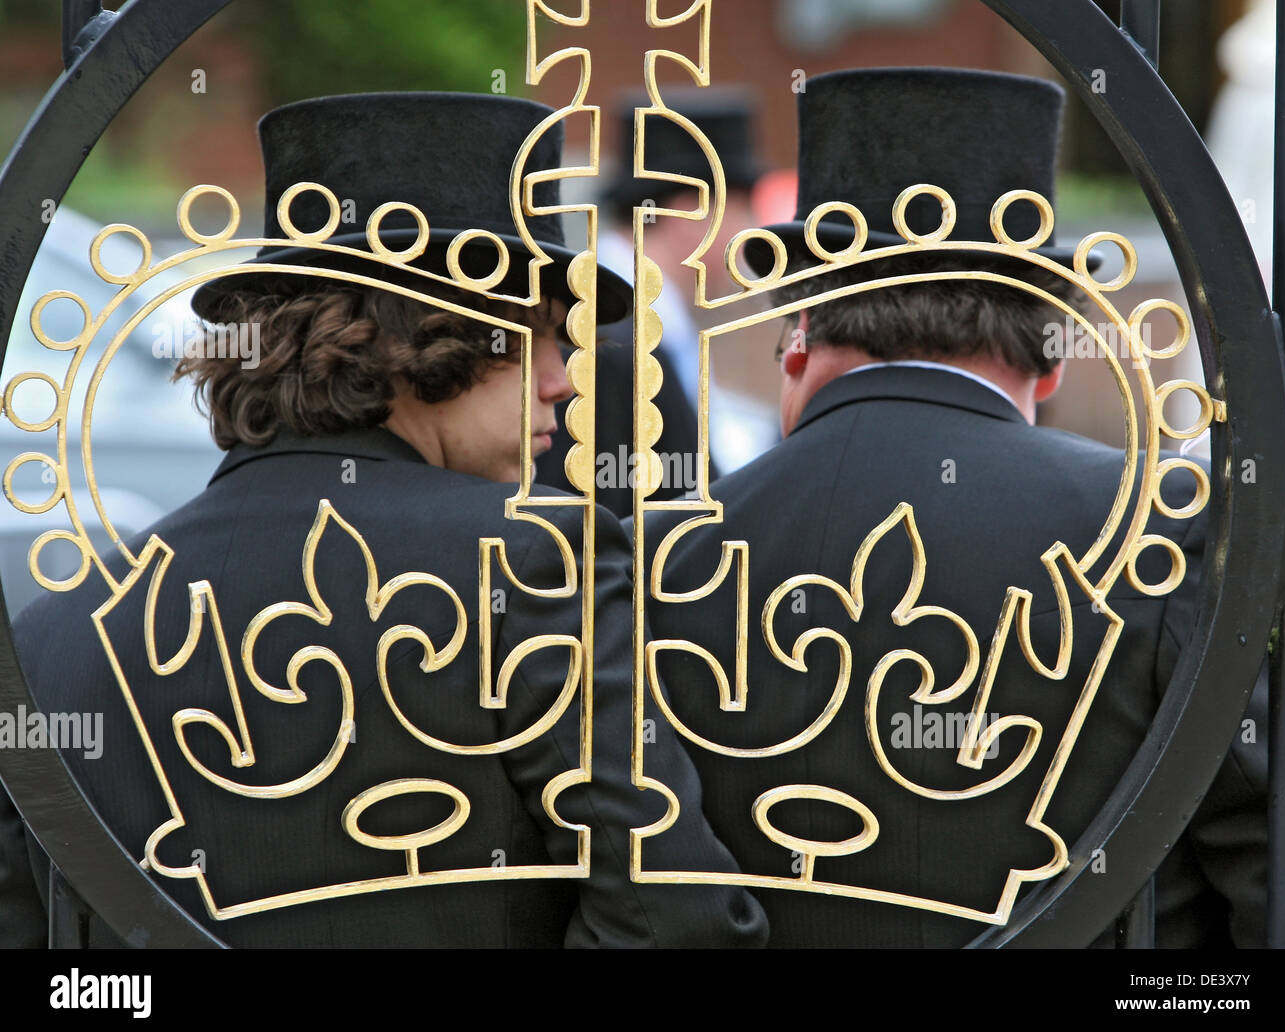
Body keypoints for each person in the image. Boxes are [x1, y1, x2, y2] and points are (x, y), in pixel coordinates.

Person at [0, 92, 767, 949]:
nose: (565, 381)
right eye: (536, 337)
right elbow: (680, 920)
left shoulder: (55, 633)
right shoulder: (529, 559)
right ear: (420, 336)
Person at [637, 67, 1267, 948]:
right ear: (1049, 361)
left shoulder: (654, 555)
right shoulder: (1160, 531)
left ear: (796, 337)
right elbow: (1262, 865)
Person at [535, 89, 772, 515]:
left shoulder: (651, 328)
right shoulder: (608, 338)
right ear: (691, 211)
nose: (750, 230)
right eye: (740, 210)